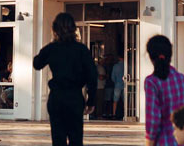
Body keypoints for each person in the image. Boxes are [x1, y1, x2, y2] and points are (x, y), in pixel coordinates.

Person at [33, 12, 96, 146]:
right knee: (76, 138)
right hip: (74, 97)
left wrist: (51, 44)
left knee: (58, 139)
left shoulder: (52, 48)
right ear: (74, 29)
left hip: (57, 97)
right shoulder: (81, 50)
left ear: (55, 29)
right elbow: (92, 75)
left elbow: (37, 64)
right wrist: (91, 100)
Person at [143, 35, 184, 146]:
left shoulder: (152, 82)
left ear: (151, 57)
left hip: (163, 141)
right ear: (170, 55)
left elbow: (153, 121)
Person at [111, 54, 124, 119]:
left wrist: (116, 82)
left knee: (115, 100)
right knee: (126, 101)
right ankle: (126, 114)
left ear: (119, 58)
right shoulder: (128, 65)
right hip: (126, 85)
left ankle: (114, 114)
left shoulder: (116, 66)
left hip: (117, 85)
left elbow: (112, 77)